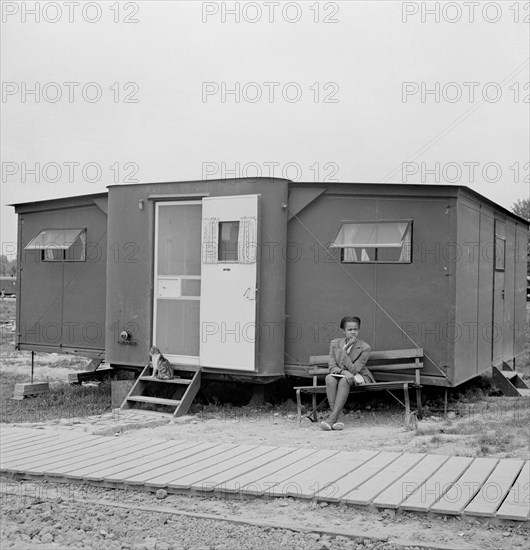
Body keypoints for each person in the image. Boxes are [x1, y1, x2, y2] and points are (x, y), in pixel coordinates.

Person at [321, 316, 375, 431]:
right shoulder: (335, 343)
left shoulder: (365, 347)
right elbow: (332, 367)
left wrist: (344, 352)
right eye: (349, 330)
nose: (353, 332)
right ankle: (335, 419)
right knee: (329, 378)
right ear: (343, 331)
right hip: (343, 374)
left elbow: (355, 370)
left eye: (355, 329)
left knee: (345, 380)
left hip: (361, 376)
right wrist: (344, 372)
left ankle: (331, 419)